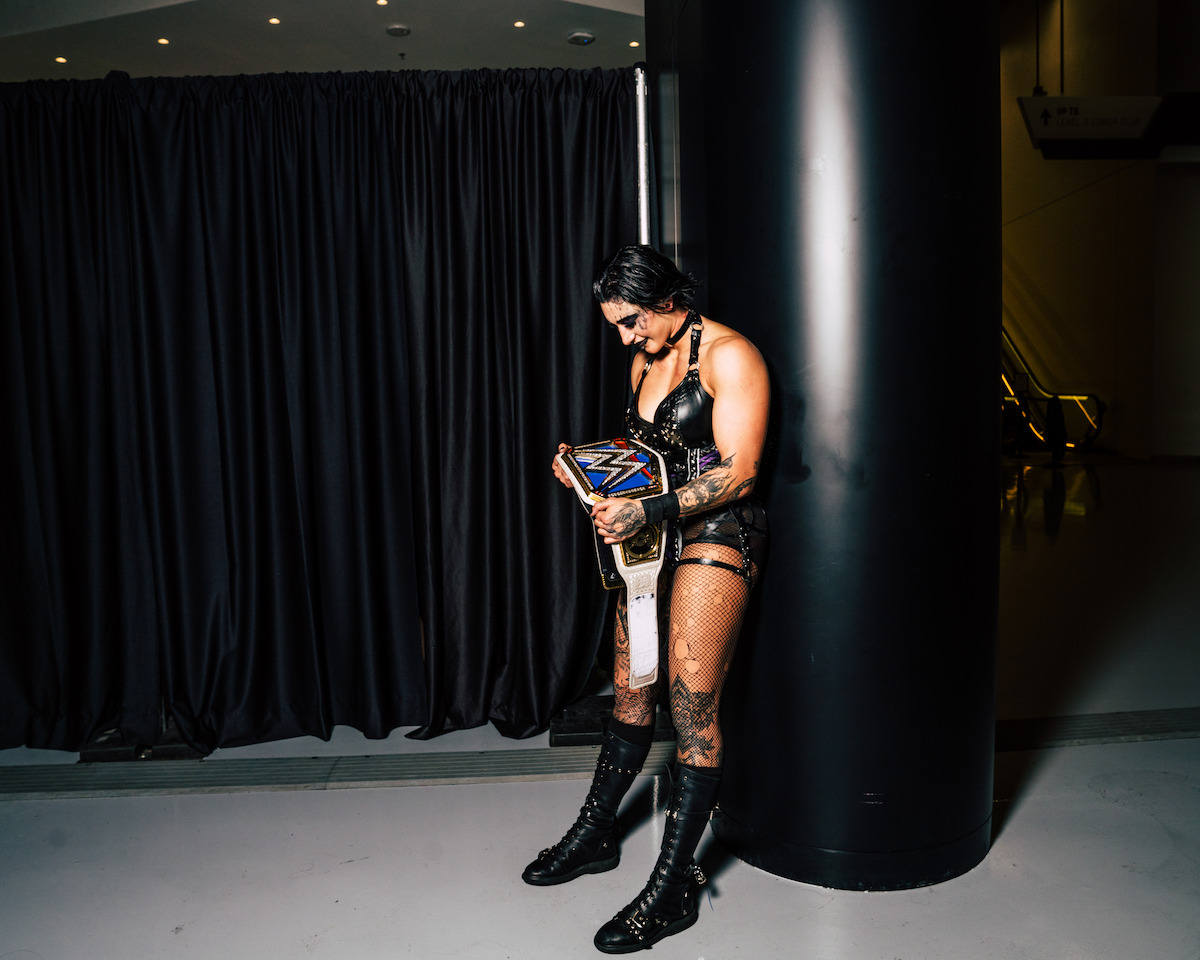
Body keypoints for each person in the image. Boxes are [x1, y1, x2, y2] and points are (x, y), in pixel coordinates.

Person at [524, 244, 769, 953]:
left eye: (631, 321)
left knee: (692, 705)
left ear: (667, 300)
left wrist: (649, 511)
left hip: (720, 531)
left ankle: (671, 888)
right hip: (654, 533)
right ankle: (597, 834)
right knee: (632, 691)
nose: (625, 338)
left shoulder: (729, 356)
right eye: (617, 326)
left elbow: (742, 472)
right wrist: (585, 469)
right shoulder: (642, 356)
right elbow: (648, 454)